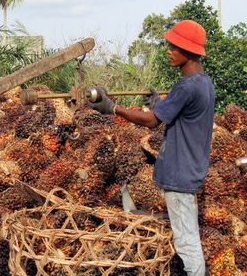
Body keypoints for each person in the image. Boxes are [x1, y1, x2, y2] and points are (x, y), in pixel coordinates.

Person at [89, 20, 215, 276]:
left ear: (187, 51)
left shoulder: (187, 86)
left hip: (180, 174)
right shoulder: (204, 83)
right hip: (190, 169)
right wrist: (160, 103)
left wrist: (113, 108)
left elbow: (151, 121)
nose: (168, 50)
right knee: (182, 232)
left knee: (187, 243)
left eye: (173, 46)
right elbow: (180, 114)